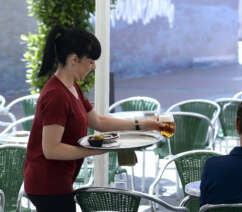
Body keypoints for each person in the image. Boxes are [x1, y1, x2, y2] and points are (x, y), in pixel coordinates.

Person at [23, 26, 161, 212]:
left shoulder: (72, 88)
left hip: (58, 180)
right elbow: (52, 149)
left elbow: (99, 122)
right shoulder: (56, 95)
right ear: (74, 59)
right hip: (47, 183)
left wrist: (141, 124)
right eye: (90, 61)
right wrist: (91, 151)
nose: (94, 66)